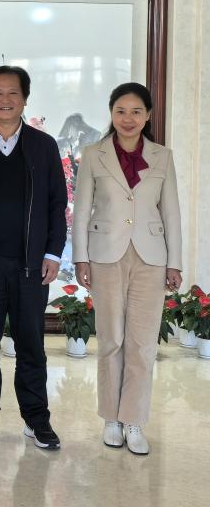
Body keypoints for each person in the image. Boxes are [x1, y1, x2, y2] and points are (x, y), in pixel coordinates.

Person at [0, 66, 67, 450]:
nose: (5, 100)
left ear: (25, 98)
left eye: (13, 93)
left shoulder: (43, 145)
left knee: (31, 345)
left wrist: (53, 252)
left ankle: (37, 420)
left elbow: (57, 203)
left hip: (31, 265)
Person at [71, 82, 182, 455]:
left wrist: (175, 262)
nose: (128, 118)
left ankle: (134, 420)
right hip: (105, 255)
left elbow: (171, 212)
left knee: (141, 343)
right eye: (121, 111)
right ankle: (111, 419)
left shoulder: (162, 156)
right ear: (111, 113)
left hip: (151, 258)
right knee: (111, 339)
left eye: (136, 111)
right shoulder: (94, 154)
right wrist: (81, 257)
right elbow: (81, 210)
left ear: (148, 115)